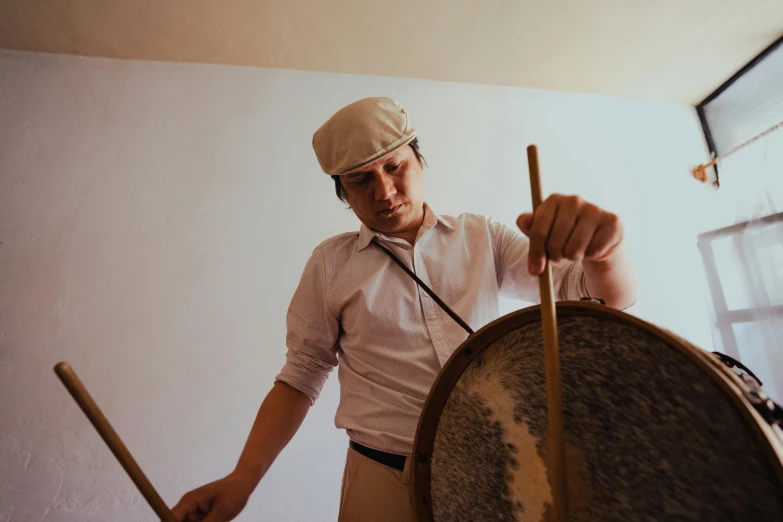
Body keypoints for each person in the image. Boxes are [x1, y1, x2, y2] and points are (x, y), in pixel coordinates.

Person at [172, 97, 636, 522]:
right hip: (384, 477)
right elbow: (300, 375)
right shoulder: (330, 265)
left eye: (395, 166)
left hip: (495, 466)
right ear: (343, 194)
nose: (384, 190)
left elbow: (595, 297)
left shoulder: (482, 237)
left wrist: (604, 251)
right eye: (360, 180)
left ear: (419, 160)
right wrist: (242, 480)